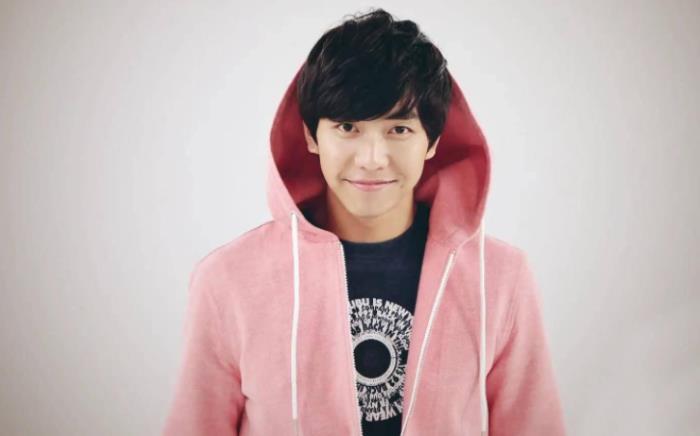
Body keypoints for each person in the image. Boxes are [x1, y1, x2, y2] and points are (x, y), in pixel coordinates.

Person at [162, 8, 566, 436]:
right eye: (347, 127)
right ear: (311, 135)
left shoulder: (500, 278)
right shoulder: (228, 280)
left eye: (399, 130)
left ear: (432, 141)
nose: (372, 159)